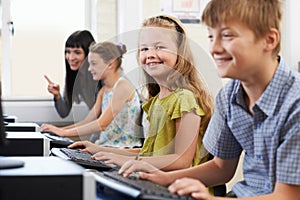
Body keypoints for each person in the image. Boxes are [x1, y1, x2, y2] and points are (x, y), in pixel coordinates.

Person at [118, 0, 300, 199]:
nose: (214, 48)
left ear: (269, 39)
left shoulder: (295, 102)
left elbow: (288, 196)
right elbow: (222, 168)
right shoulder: (229, 96)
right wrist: (162, 178)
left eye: (227, 36)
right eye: (211, 37)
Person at [69, 14, 214, 172]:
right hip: (159, 181)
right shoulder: (156, 101)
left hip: (182, 190)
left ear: (180, 52)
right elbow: (149, 153)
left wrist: (124, 160)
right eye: (144, 48)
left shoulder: (185, 99)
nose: (150, 54)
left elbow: (181, 161)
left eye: (159, 47)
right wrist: (100, 150)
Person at [41, 42, 141, 148]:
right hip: (104, 147)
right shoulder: (104, 91)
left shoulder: (123, 86)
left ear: (110, 64)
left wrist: (63, 133)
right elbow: (88, 121)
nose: (89, 69)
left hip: (122, 149)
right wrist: (59, 130)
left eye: (94, 63)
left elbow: (102, 124)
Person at [44, 30, 101, 118]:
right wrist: (57, 95)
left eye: (77, 52)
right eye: (68, 52)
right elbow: (64, 112)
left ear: (89, 54)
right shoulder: (74, 76)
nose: (70, 58)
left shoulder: (102, 76)